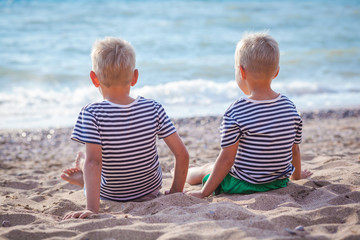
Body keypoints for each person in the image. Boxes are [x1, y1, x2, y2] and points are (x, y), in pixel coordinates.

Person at [61, 37, 189, 219]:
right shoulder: (154, 108)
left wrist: (92, 210)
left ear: (94, 79)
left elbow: (94, 163)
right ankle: (84, 175)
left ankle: (83, 176)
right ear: (135, 77)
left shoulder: (91, 113)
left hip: (111, 193)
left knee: (88, 160)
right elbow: (182, 154)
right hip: (150, 190)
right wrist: (176, 192)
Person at [186, 32, 312, 198]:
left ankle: (185, 173)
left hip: (244, 183)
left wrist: (203, 194)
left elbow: (226, 160)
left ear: (241, 72)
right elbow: (294, 150)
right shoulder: (289, 106)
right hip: (278, 181)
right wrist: (296, 176)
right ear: (276, 72)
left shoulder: (237, 110)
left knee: (208, 169)